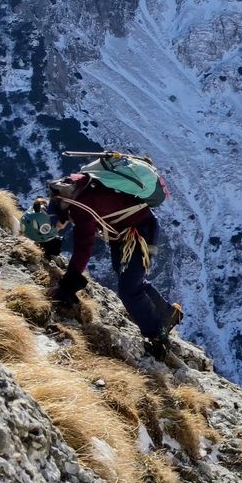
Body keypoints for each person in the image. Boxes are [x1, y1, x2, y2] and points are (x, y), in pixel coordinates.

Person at [41, 152, 183, 357]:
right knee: (130, 279)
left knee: (129, 290)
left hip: (140, 234)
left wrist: (68, 284)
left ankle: (157, 335)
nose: (61, 229)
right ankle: (169, 313)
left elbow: (83, 247)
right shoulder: (67, 192)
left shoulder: (80, 207)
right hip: (132, 231)